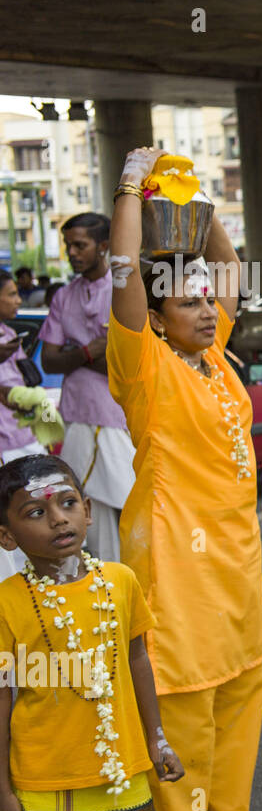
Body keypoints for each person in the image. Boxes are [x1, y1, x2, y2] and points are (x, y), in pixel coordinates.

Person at [106, 146, 262, 811]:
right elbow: (125, 274)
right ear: (154, 316)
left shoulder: (212, 356)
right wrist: (131, 188)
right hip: (175, 558)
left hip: (236, 557)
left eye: (206, 298)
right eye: (188, 302)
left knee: (242, 686)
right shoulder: (143, 364)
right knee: (182, 701)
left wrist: (194, 202)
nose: (208, 309)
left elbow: (231, 268)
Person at [0, 454, 183, 811]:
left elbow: (137, 658)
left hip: (125, 774)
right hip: (43, 784)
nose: (58, 519)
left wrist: (157, 739)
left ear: (87, 511)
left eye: (68, 504)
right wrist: (2, 792)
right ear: (7, 536)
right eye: (36, 511)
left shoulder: (120, 581)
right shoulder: (6, 601)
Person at [41, 213, 134, 562]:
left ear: (104, 246)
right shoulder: (64, 296)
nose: (72, 252)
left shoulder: (124, 291)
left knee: (123, 504)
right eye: (68, 245)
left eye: (80, 245)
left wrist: (76, 355)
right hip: (77, 416)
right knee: (81, 509)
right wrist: (88, 350)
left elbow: (122, 365)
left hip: (115, 416)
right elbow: (49, 360)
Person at [0, 270, 57, 581]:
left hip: (24, 440)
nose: (17, 300)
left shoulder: (9, 336)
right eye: (10, 294)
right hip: (7, 446)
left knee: (37, 508)